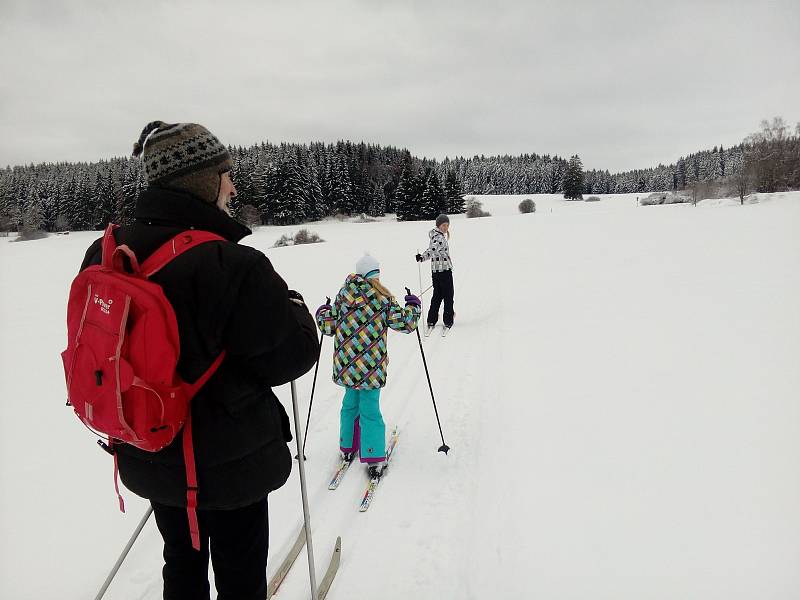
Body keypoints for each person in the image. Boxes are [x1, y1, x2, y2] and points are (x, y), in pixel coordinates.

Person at [78, 121, 319, 600]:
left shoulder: (104, 252)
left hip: (150, 448)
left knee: (180, 563)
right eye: (225, 173)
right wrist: (293, 308)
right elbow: (293, 354)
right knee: (240, 573)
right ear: (202, 181)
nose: (233, 184)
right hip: (231, 468)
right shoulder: (230, 264)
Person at [315, 254, 421, 476]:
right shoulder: (382, 299)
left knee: (350, 404)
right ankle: (373, 457)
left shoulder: (343, 296)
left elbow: (327, 325)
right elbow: (406, 323)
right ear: (375, 275)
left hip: (347, 366)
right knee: (370, 410)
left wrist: (322, 311)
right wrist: (414, 306)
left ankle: (347, 446)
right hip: (370, 368)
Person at [415, 213, 454, 332]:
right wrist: (422, 257)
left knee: (437, 295)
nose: (445, 227)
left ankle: (431, 319)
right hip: (444, 271)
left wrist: (422, 257)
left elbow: (432, 250)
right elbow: (432, 250)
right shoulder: (440, 238)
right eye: (443, 225)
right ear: (438, 225)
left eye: (447, 225)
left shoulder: (435, 236)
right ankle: (448, 319)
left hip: (436, 272)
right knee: (448, 296)